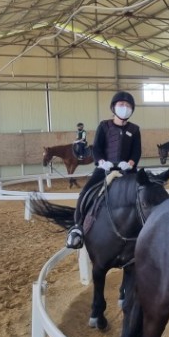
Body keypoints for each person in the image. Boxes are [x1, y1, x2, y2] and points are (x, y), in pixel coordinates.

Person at [65, 91, 142, 249]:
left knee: (143, 193)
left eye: (128, 106)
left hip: (126, 170)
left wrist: (131, 163)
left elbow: (137, 151)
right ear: (113, 107)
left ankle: (145, 227)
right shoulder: (104, 126)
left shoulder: (134, 129)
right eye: (121, 105)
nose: (124, 108)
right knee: (85, 192)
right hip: (104, 168)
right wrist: (101, 162)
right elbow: (97, 148)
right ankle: (77, 227)